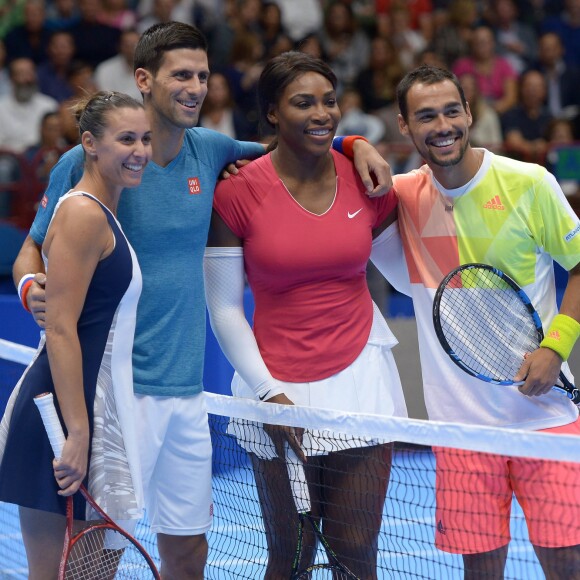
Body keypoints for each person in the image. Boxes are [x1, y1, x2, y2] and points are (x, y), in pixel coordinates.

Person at [11, 21, 395, 580]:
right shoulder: (90, 160)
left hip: (187, 393)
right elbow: (30, 250)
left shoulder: (211, 149)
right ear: (144, 79)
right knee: (99, 554)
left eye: (203, 76)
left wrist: (352, 143)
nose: (196, 87)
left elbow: (289, 139)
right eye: (181, 75)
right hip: (117, 392)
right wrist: (29, 287)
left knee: (189, 552)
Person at [203, 51, 409, 579]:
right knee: (290, 556)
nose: (322, 113)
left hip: (361, 376)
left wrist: (357, 144)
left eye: (329, 101)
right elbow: (224, 308)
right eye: (303, 103)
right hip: (273, 385)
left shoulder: (365, 181)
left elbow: (408, 275)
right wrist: (268, 393)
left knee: (355, 551)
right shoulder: (236, 192)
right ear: (272, 112)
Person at [371, 63, 580, 578]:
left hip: (545, 419)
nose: (441, 125)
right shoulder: (399, 198)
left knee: (566, 563)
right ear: (404, 126)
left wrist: (556, 348)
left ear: (469, 112)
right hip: (461, 428)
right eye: (425, 116)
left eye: (450, 111)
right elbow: (322, 168)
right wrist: (355, 144)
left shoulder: (529, 183)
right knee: (480, 571)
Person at [0, 90, 151, 579]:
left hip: (90, 409)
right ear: (89, 143)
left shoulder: (100, 215)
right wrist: (78, 433)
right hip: (65, 415)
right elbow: (61, 329)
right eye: (126, 139)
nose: (140, 150)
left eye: (146, 138)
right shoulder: (84, 214)